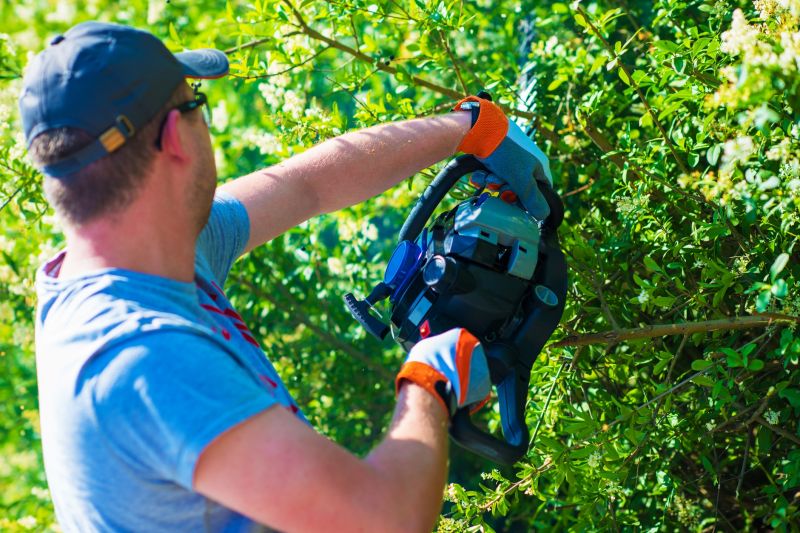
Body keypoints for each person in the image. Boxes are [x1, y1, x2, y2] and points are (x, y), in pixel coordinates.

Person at [20, 21, 552, 532]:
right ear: (175, 137)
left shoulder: (147, 249)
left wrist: (471, 131)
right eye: (195, 103)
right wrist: (429, 382)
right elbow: (383, 519)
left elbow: (307, 185)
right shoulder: (142, 357)